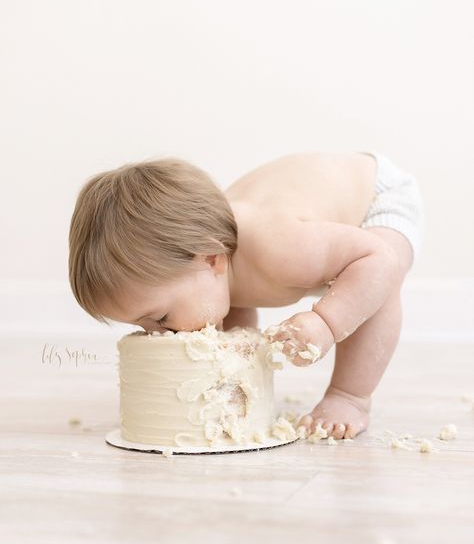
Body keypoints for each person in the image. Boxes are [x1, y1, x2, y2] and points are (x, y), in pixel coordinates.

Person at [68, 150, 424, 440]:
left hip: (375, 196)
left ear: (212, 258)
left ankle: (351, 397)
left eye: (160, 318)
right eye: (143, 326)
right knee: (229, 322)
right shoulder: (210, 270)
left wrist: (325, 323)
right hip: (306, 209)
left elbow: (379, 259)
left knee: (375, 285)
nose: (158, 334)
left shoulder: (282, 249)